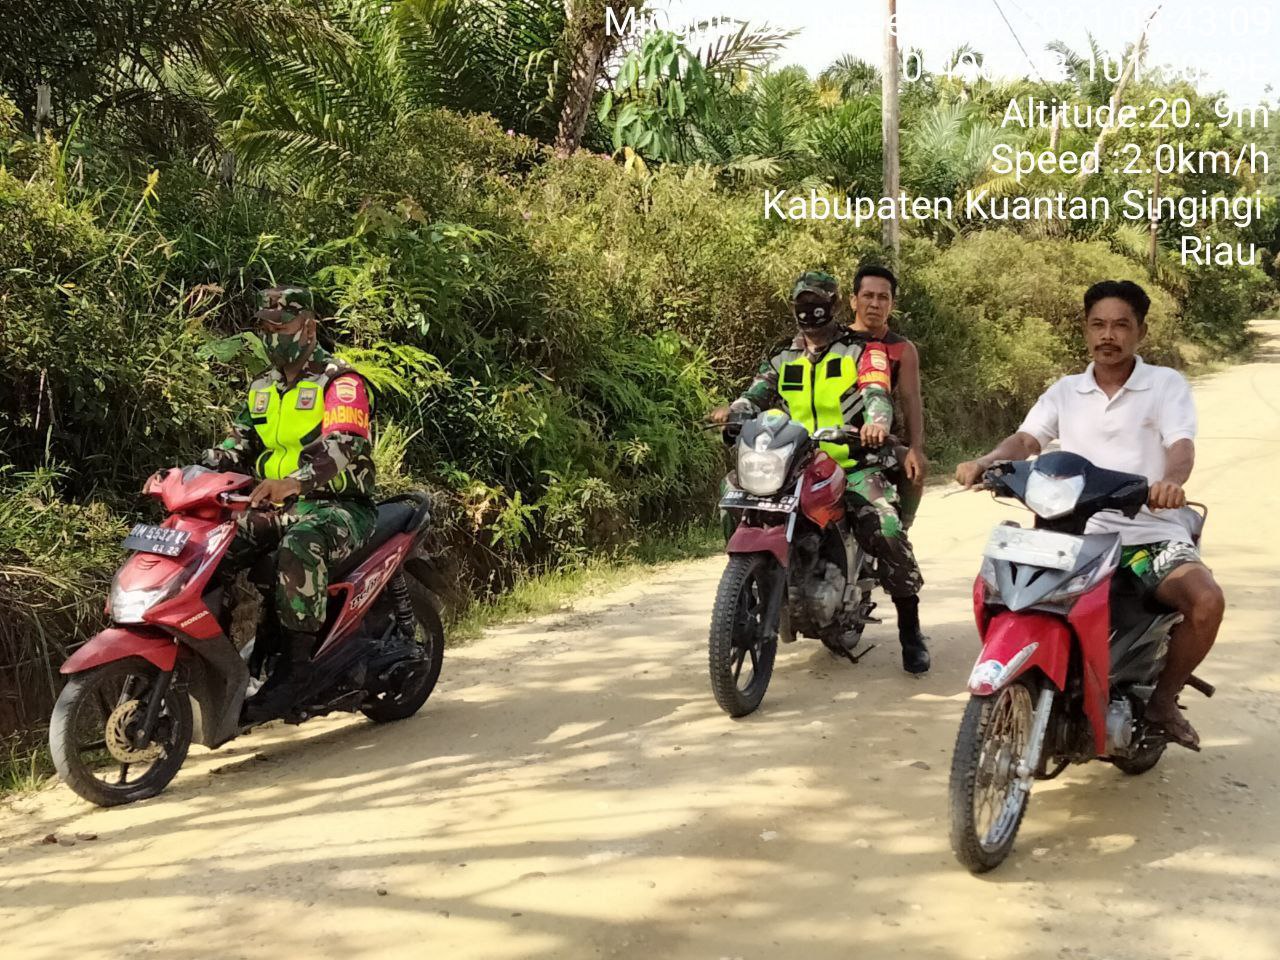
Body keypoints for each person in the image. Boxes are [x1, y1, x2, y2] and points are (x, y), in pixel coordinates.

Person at [955, 279, 1225, 750]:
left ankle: (1163, 702)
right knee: (1008, 591)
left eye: (1121, 325)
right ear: (1085, 330)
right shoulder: (1065, 391)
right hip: (1074, 537)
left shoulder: (1165, 384)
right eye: (1098, 324)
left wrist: (1170, 482)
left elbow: (1180, 445)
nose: (1108, 335)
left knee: (1206, 601)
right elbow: (1027, 439)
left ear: (1140, 331)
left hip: (1147, 536)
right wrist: (987, 461)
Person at [712, 271, 931, 674]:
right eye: (802, 303)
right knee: (734, 499)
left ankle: (910, 629)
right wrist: (735, 411)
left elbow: (877, 392)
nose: (809, 311)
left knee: (885, 526)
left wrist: (876, 423)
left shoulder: (862, 351)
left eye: (817, 303)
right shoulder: (782, 356)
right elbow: (755, 394)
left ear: (833, 306)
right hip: (793, 465)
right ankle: (746, 595)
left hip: (852, 462)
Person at [203, 286, 378, 722]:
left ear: (309, 327)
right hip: (273, 505)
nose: (272, 334)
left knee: (300, 546)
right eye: (265, 325)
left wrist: (293, 482)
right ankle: (217, 665)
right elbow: (237, 445)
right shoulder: (261, 387)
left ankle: (298, 671)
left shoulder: (340, 382)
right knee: (212, 546)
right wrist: (195, 472)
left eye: (282, 326)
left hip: (337, 505)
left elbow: (343, 446)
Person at [845, 264, 927, 529]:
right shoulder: (836, 343)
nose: (875, 304)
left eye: (883, 297)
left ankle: (903, 531)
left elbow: (911, 399)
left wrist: (916, 448)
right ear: (854, 300)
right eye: (868, 296)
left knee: (914, 468)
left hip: (880, 440)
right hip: (832, 436)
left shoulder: (902, 348)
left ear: (891, 304)